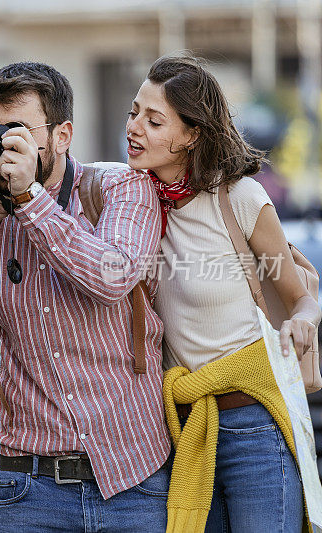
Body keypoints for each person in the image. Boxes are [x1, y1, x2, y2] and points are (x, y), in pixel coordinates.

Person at [0, 61, 171, 532]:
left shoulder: (122, 187)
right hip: (30, 487)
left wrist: (30, 201)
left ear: (61, 135)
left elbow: (111, 277)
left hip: (133, 479)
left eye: (17, 131)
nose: (3, 144)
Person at [125, 54, 321, 532]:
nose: (134, 128)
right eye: (134, 113)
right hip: (187, 429)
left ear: (191, 135)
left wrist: (301, 321)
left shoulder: (239, 198)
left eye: (154, 121)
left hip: (254, 427)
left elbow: (302, 297)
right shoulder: (131, 201)